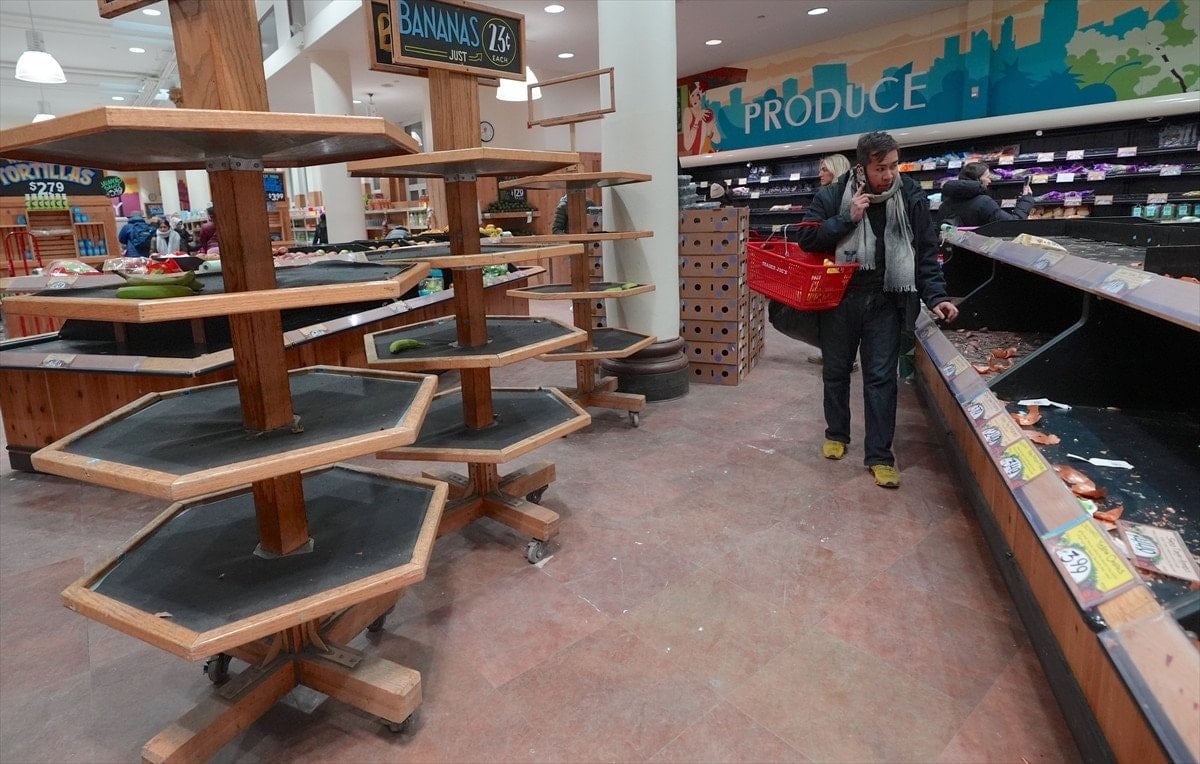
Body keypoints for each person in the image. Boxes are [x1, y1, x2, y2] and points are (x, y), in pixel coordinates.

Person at [799, 131, 958, 489]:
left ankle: (880, 455)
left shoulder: (910, 195)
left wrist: (937, 296)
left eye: (893, 166)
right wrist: (847, 218)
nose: (888, 175)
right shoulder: (833, 195)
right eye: (880, 168)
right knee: (836, 372)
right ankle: (836, 434)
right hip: (840, 299)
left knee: (881, 379)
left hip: (887, 300)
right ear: (863, 167)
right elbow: (806, 238)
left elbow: (925, 250)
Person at [807, 153, 853, 367]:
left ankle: (837, 357)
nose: (820, 174)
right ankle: (839, 355)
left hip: (831, 264)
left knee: (831, 313)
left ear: (836, 170)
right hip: (848, 264)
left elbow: (809, 236)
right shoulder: (853, 195)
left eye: (825, 169)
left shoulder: (827, 196)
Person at [938, 161, 1035, 227]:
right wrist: (1027, 199)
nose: (990, 181)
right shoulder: (984, 202)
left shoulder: (944, 205)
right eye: (987, 177)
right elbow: (1012, 224)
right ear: (978, 179)